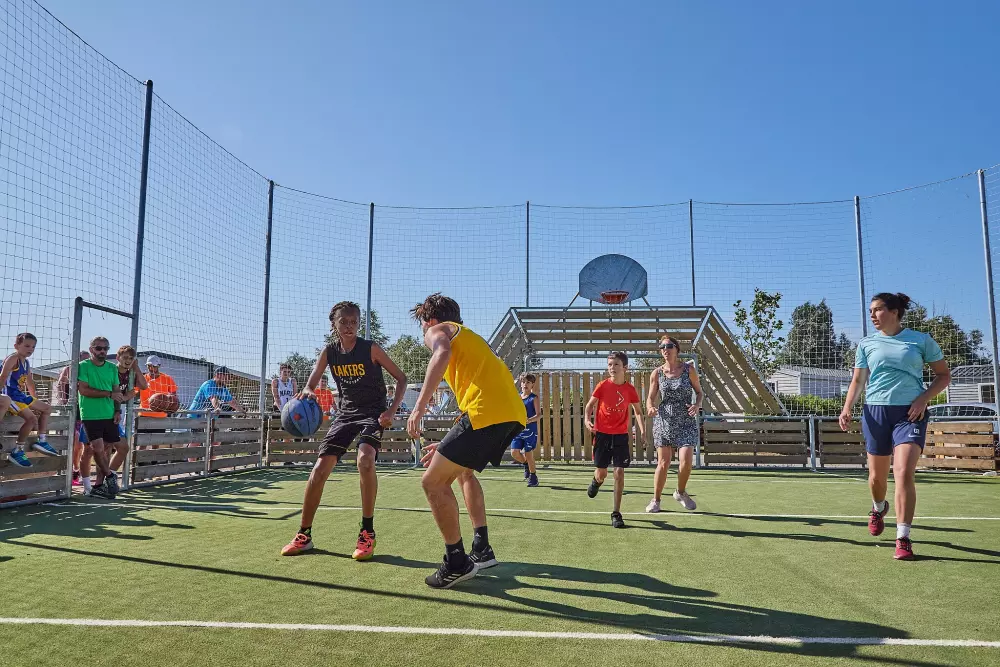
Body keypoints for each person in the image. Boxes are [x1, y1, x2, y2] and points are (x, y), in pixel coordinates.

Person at [407, 294, 526, 589]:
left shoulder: (439, 330)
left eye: (423, 324)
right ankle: (481, 548)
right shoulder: (470, 338)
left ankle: (457, 562)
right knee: (463, 472)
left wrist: (419, 406)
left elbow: (440, 353)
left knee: (432, 483)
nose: (424, 331)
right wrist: (448, 443)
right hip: (508, 411)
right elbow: (476, 394)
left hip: (488, 412)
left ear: (430, 320)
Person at [281, 301, 407, 561]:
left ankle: (367, 532)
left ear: (359, 323)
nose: (349, 326)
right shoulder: (329, 352)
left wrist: (390, 412)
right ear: (334, 325)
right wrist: (307, 390)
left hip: (372, 413)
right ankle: (304, 534)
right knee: (319, 469)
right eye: (344, 322)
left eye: (354, 322)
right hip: (346, 414)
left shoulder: (371, 349)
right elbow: (312, 380)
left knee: (365, 459)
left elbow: (401, 378)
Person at [840, 292, 950, 561]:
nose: (872, 316)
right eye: (870, 311)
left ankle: (903, 538)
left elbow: (943, 375)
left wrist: (923, 399)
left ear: (894, 312)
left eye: (877, 310)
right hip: (875, 412)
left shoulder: (920, 340)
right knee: (877, 479)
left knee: (902, 473)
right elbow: (857, 381)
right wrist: (846, 408)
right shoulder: (866, 344)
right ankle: (878, 508)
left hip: (909, 413)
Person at [585, 351, 646, 529]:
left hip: (620, 436)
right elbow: (589, 406)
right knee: (602, 473)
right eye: (610, 364)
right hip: (602, 435)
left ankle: (616, 513)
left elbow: (638, 412)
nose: (612, 368)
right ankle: (596, 482)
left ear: (625, 368)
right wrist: (587, 420)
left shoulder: (630, 389)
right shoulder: (602, 386)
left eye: (616, 364)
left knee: (619, 472)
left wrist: (642, 432)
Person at [645, 335, 703, 513]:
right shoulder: (657, 373)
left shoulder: (689, 369)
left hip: (685, 420)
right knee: (663, 462)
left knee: (686, 462)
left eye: (669, 346)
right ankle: (656, 500)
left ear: (677, 349)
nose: (665, 349)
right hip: (664, 421)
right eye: (662, 346)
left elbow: (700, 392)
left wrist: (696, 404)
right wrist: (650, 407)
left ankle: (680, 492)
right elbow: (650, 398)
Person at [77, 336, 125, 499]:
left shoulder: (112, 368)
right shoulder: (83, 366)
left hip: (109, 413)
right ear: (91, 349)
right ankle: (110, 477)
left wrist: (117, 410)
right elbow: (84, 390)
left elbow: (116, 391)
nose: (102, 351)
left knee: (106, 450)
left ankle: (98, 486)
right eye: (98, 348)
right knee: (95, 448)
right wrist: (108, 394)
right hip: (90, 414)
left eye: (105, 348)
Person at [1, 333, 58, 467]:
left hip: (20, 395)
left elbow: (30, 383)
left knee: (47, 408)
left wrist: (35, 402)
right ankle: (18, 450)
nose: (30, 349)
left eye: (33, 347)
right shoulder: (12, 358)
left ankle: (42, 440)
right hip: (10, 396)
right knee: (31, 419)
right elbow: (3, 376)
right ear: (16, 346)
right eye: (27, 346)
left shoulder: (26, 363)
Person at [102, 345, 147, 494]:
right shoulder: (110, 370)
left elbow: (143, 386)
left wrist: (136, 367)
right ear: (118, 358)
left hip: (115, 414)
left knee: (122, 447)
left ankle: (109, 478)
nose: (128, 361)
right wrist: (123, 397)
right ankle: (94, 483)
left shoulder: (130, 373)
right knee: (100, 449)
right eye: (125, 357)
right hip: (101, 412)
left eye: (131, 358)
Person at [55, 350, 89, 485]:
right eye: (82, 358)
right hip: (69, 412)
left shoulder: (87, 371)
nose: (84, 361)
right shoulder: (69, 369)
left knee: (80, 445)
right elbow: (60, 384)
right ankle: (64, 471)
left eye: (87, 359)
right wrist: (64, 402)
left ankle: (75, 471)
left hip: (82, 412)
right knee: (71, 442)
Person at [509, 373, 541, 487]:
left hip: (530, 431)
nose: (525, 384)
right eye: (523, 382)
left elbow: (538, 415)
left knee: (528, 453)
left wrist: (529, 420)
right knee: (514, 453)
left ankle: (533, 477)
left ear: (532, 384)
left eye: (528, 382)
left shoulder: (534, 398)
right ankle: (526, 464)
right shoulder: (517, 397)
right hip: (518, 430)